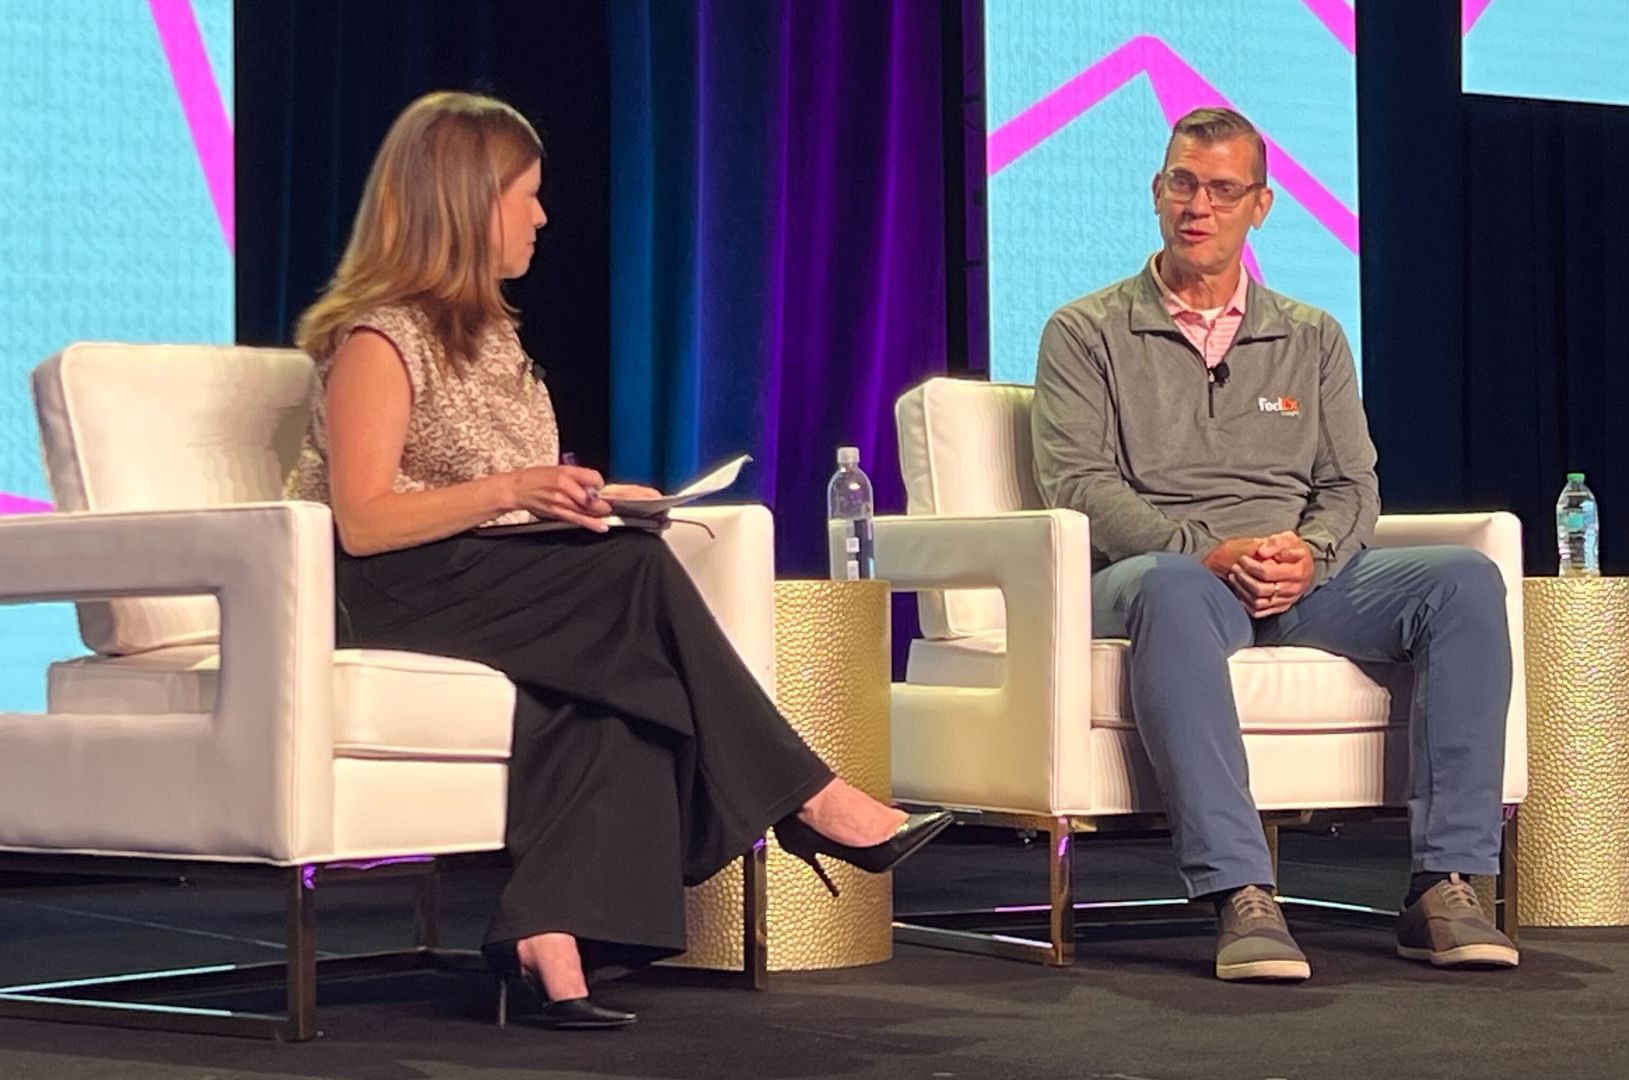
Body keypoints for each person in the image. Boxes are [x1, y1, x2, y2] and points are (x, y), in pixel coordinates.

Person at [287, 91, 950, 1028]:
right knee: (633, 576)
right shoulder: (378, 338)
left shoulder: (494, 338)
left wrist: (586, 495)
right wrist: (517, 490)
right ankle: (809, 797)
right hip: (381, 590)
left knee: (619, 676)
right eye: (526, 195)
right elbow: (361, 520)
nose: (541, 216)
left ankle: (547, 937)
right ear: (467, 204)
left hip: (479, 576)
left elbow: (494, 485)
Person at [1030, 107, 1517, 983]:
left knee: (1464, 580)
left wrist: (1313, 554)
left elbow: (1352, 484)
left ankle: (1446, 884)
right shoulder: (1085, 330)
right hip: (1159, 575)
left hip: (1298, 577)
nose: (1199, 207)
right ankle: (1240, 891)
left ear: (1261, 206)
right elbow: (1080, 485)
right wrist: (1205, 550)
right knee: (1174, 586)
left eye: (1224, 190)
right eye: (1184, 184)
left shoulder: (1312, 335)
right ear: (1156, 192)